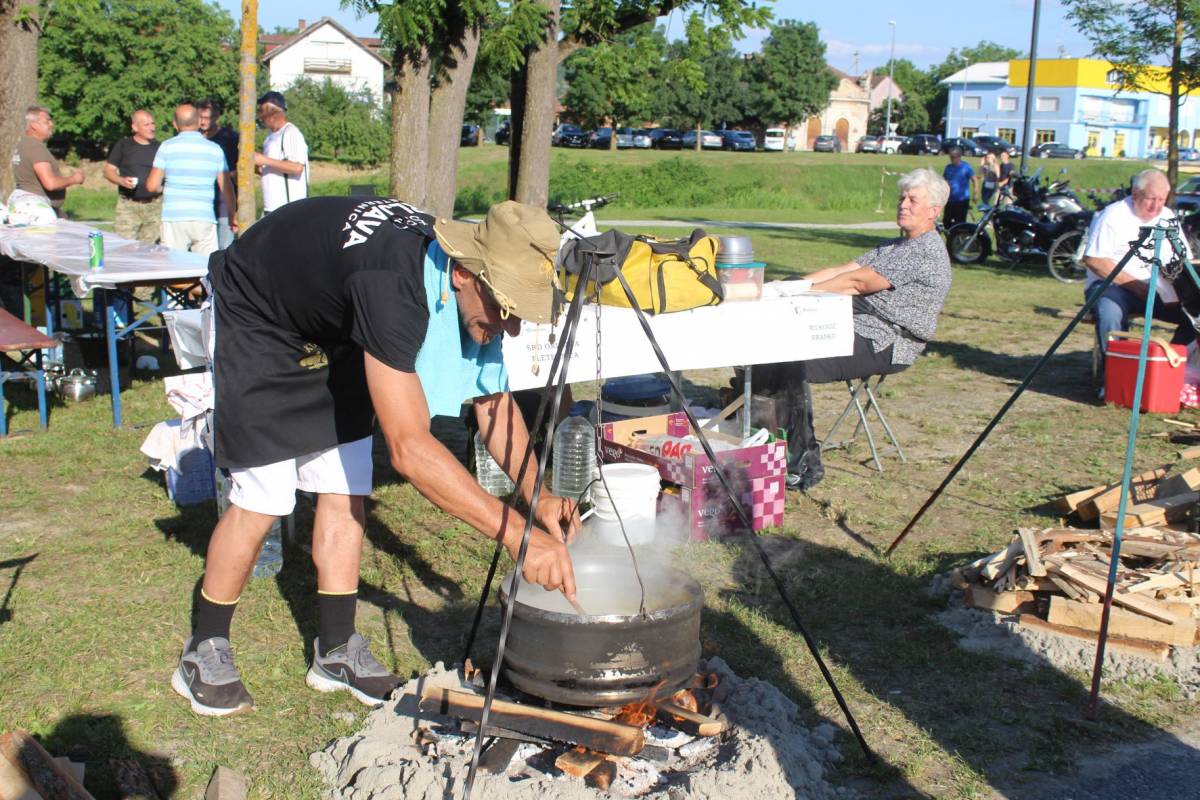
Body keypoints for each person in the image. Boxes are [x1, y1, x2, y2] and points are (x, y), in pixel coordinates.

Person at [172, 197, 581, 717]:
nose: (513, 326)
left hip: (336, 319)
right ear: (462, 274)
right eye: (507, 308)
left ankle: (336, 651)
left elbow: (493, 403)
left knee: (347, 485)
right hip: (257, 309)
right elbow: (409, 449)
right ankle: (203, 648)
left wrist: (538, 496)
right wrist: (520, 535)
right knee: (265, 496)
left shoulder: (472, 292)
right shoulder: (393, 288)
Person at [751, 169, 953, 490]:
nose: (903, 204)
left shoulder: (925, 251)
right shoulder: (895, 246)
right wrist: (788, 285)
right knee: (762, 347)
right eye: (902, 197)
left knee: (788, 359)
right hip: (859, 324)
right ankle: (760, 441)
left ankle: (802, 462)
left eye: (913, 200)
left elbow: (857, 283)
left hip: (887, 341)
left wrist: (799, 292)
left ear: (934, 211)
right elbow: (845, 269)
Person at [1084, 168, 1196, 373]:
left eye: (1162, 199)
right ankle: (1116, 374)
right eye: (1151, 199)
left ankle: (1167, 367)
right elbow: (1095, 260)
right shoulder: (1113, 216)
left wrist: (1177, 288)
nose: (1156, 206)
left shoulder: (1167, 216)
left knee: (1196, 314)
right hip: (1114, 286)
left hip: (1159, 288)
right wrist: (1136, 286)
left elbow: (1184, 259)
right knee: (1110, 312)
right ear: (1135, 194)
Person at [145, 104, 236, 256]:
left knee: (173, 266)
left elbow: (152, 186)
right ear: (199, 121)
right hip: (204, 217)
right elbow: (226, 187)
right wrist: (233, 214)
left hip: (174, 218)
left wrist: (165, 188)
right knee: (205, 266)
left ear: (175, 124)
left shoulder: (166, 147)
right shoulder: (215, 149)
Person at [10, 106, 84, 213]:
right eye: (47, 121)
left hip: (25, 204)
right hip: (35, 207)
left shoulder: (23, 144)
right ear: (34, 125)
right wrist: (74, 179)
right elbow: (50, 183)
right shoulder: (35, 147)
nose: (51, 124)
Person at [103, 109, 162, 243]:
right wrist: (121, 181)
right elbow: (108, 170)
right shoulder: (123, 145)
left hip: (155, 206)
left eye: (153, 123)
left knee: (149, 250)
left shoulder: (161, 147)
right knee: (123, 246)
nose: (152, 128)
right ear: (135, 127)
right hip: (128, 206)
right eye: (146, 125)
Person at [253, 91, 307, 214]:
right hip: (271, 209)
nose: (260, 116)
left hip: (288, 210)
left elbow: (297, 168)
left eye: (262, 111)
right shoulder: (270, 137)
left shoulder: (290, 133)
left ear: (274, 112)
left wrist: (264, 160)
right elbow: (271, 169)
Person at [196, 99, 239, 249]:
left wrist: (228, 175)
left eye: (206, 118)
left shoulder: (230, 137)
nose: (202, 122)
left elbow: (239, 170)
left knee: (224, 249)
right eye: (199, 117)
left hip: (224, 204)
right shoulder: (194, 138)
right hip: (201, 205)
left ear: (216, 117)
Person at [941, 147, 975, 228]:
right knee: (946, 221)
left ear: (959, 157)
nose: (951, 159)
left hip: (962, 200)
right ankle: (951, 233)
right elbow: (944, 179)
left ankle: (958, 234)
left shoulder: (966, 167)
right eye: (951, 157)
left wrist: (975, 193)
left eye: (953, 157)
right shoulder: (948, 167)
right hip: (950, 199)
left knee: (960, 222)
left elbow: (974, 179)